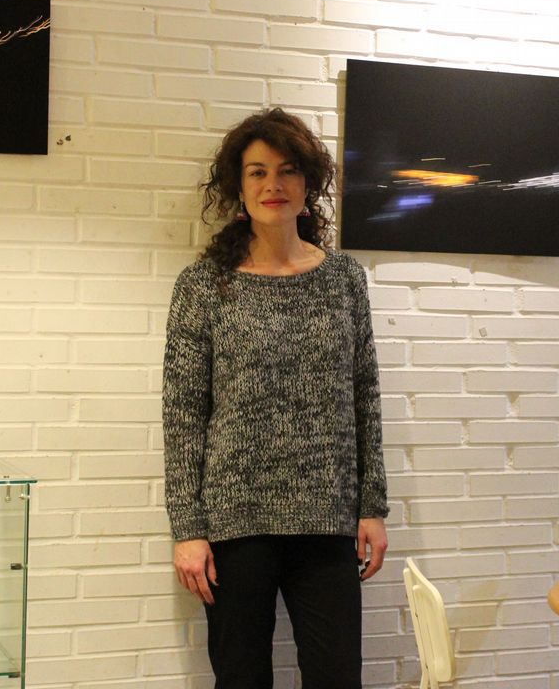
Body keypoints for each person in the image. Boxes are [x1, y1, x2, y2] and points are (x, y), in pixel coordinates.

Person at [163, 107, 389, 688]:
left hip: (328, 519)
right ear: (238, 188)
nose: (274, 185)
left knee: (337, 678)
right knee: (240, 679)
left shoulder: (344, 278)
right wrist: (187, 528)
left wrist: (372, 506)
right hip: (234, 524)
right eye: (257, 172)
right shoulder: (203, 285)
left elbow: (364, 395)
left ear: (307, 183)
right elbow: (183, 415)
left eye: (288, 170)